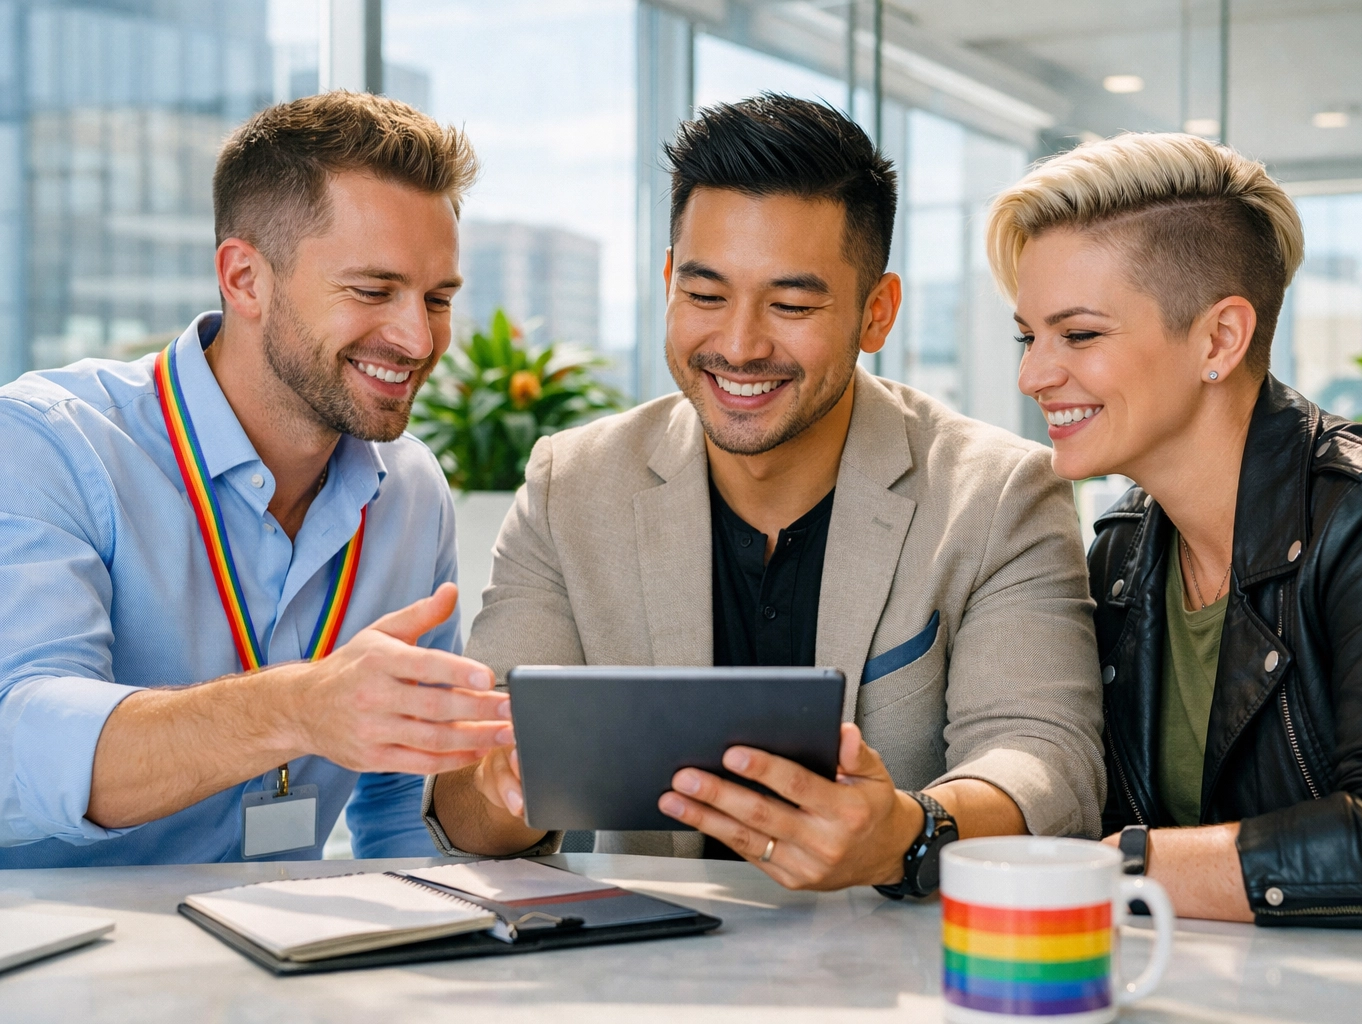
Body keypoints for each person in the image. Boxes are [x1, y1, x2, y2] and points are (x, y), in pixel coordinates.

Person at [423, 95, 1105, 894]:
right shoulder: (570, 486)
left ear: (875, 312)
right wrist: (504, 793)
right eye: (706, 296)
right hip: (641, 974)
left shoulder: (994, 495)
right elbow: (464, 810)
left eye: (791, 304)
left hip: (894, 977)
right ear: (670, 280)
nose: (740, 345)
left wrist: (909, 833)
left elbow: (1049, 761)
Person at [988, 130, 1362, 943]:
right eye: (1027, 336)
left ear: (1219, 339)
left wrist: (1125, 865)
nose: (1034, 374)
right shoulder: (1123, 552)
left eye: (1080, 335)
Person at [0, 92, 516, 866]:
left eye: (437, 298)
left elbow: (402, 806)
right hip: (65, 965)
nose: (418, 338)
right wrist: (295, 710)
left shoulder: (410, 491)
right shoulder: (47, 441)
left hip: (290, 962)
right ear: (245, 279)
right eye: (373, 291)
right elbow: (25, 739)